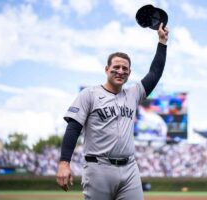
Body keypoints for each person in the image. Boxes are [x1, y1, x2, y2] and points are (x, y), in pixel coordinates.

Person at [56, 23, 169, 200]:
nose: (120, 71)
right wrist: (64, 163)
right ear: (107, 69)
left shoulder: (133, 94)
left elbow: (155, 72)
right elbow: (73, 129)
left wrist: (162, 42)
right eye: (116, 67)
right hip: (98, 168)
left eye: (125, 68)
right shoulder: (89, 94)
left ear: (129, 73)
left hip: (130, 168)